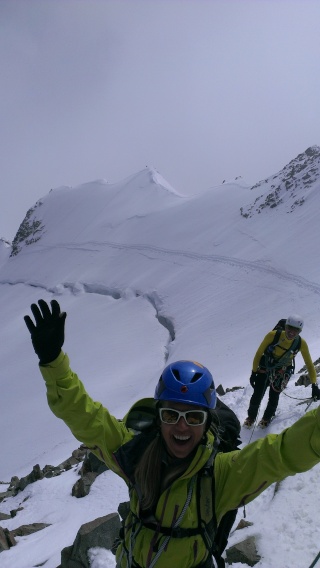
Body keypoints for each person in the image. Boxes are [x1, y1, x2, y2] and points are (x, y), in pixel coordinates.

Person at [24, 300, 320, 568]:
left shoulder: (221, 474)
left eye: (193, 417)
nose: (181, 426)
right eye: (171, 415)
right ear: (158, 418)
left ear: (207, 422)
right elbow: (86, 417)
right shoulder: (134, 453)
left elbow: (281, 453)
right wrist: (54, 364)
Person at [244, 314, 320, 429]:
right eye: (290, 328)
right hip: (267, 367)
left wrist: (314, 385)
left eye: (296, 330)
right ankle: (251, 418)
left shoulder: (301, 343)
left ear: (300, 331)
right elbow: (259, 354)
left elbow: (309, 365)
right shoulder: (273, 335)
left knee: (274, 396)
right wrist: (254, 372)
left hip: (282, 371)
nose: (292, 333)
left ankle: (266, 418)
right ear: (285, 326)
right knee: (257, 394)